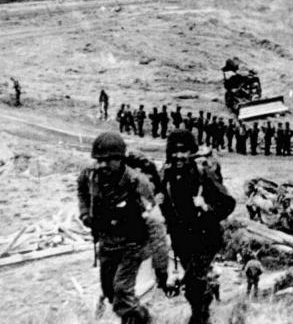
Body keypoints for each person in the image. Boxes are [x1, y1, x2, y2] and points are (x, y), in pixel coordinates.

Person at [158, 130, 235, 324]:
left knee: (193, 280)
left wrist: (206, 208)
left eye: (184, 151)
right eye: (175, 152)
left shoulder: (202, 174)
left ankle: (201, 318)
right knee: (195, 285)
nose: (179, 156)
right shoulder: (165, 175)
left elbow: (228, 203)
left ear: (192, 152)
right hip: (181, 239)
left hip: (206, 236)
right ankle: (201, 312)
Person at [77, 132, 153, 324]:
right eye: (99, 160)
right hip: (107, 243)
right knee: (110, 292)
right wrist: (85, 213)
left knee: (121, 292)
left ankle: (141, 320)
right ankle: (140, 316)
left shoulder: (136, 181)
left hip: (132, 244)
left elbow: (153, 214)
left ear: (120, 159)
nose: (102, 165)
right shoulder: (90, 175)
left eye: (108, 161)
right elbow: (82, 191)